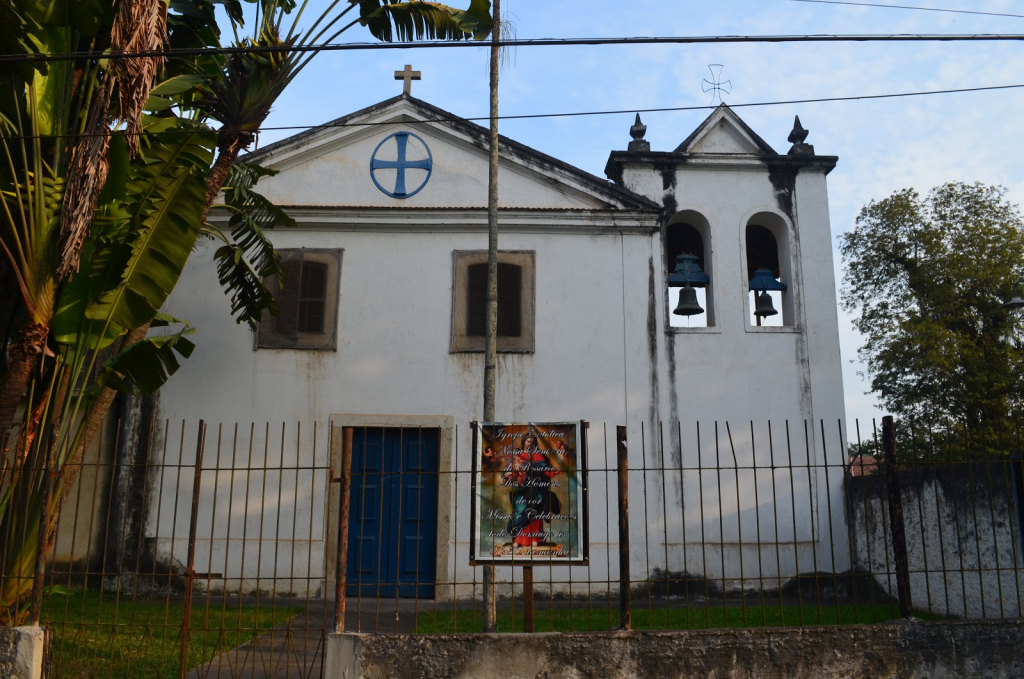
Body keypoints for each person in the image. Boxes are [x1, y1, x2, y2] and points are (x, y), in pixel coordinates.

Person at [503, 435, 561, 547]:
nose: (530, 443)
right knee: (521, 510)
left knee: (536, 508)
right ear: (524, 442)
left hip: (537, 488)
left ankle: (535, 537)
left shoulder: (540, 456)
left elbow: (546, 470)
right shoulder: (518, 456)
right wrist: (509, 474)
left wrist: (551, 472)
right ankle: (519, 538)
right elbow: (507, 471)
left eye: (532, 441)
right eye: (528, 441)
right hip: (522, 490)